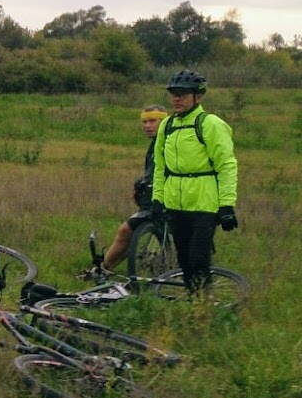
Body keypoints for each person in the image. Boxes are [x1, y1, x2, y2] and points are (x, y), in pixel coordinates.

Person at [150, 69, 238, 291]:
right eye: (173, 94)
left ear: (197, 97)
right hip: (175, 201)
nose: (176, 99)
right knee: (184, 259)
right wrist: (157, 199)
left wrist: (227, 205)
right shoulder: (167, 125)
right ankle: (193, 299)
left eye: (182, 94)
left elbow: (226, 165)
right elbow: (160, 166)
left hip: (204, 203)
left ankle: (204, 301)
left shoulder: (210, 124)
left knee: (199, 257)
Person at [93, 105, 168, 274]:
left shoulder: (167, 143)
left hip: (165, 200)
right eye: (144, 122)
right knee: (128, 233)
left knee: (125, 231)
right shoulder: (156, 143)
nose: (147, 126)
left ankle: (102, 270)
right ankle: (104, 269)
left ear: (163, 121)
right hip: (154, 199)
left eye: (152, 121)